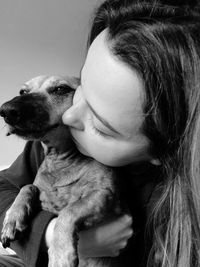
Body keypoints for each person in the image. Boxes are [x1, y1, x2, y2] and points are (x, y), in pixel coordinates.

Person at [1, 0, 200, 266]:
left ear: (162, 152)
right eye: (83, 88)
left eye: (101, 125)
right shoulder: (52, 141)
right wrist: (50, 233)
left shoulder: (173, 209)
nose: (70, 117)